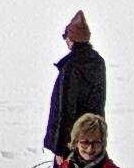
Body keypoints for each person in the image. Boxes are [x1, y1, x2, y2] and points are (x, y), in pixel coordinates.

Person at [42, 10, 105, 159]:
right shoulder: (98, 62)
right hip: (93, 142)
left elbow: (65, 110)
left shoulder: (70, 66)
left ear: (72, 39)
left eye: (66, 37)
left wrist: (60, 150)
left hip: (71, 143)